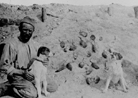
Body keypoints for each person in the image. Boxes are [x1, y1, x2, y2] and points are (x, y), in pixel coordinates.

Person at [0, 16, 41, 98]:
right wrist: (22, 72)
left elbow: (40, 61)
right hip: (18, 76)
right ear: (20, 29)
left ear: (33, 32)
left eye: (30, 31)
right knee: (32, 95)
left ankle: (18, 86)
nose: (27, 33)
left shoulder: (35, 45)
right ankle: (10, 89)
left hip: (32, 75)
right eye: (25, 30)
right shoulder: (11, 45)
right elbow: (3, 66)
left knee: (52, 86)